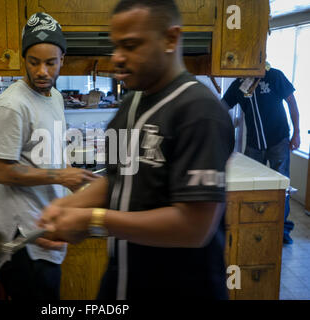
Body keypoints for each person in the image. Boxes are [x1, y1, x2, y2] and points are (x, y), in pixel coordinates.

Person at [39, 0, 235, 300]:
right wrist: (67, 207)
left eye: (130, 46)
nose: (117, 58)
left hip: (183, 288)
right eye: (116, 45)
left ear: (170, 39)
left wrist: (93, 220)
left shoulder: (200, 111)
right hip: (123, 280)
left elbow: (195, 226)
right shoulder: (131, 104)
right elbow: (118, 180)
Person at [0, 12, 97, 300]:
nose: (42, 72)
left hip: (46, 226)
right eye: (34, 62)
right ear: (24, 59)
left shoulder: (54, 97)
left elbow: (50, 153)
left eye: (50, 62)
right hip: (22, 239)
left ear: (63, 59)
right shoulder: (11, 105)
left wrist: (73, 181)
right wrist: (62, 175)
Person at [222, 63, 300, 245]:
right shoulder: (238, 85)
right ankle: (253, 223)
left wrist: (296, 132)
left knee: (281, 189)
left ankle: (282, 229)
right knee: (251, 187)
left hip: (278, 141)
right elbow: (222, 106)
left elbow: (292, 102)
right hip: (254, 143)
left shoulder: (275, 76)